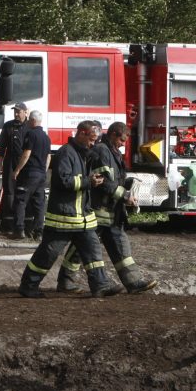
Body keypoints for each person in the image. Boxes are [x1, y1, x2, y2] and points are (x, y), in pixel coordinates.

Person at [18, 120, 122, 299]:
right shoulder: (66, 153)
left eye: (96, 140)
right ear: (81, 133)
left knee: (93, 252)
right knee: (47, 254)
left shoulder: (82, 154)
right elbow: (63, 181)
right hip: (63, 218)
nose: (93, 144)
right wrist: (88, 182)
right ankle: (28, 285)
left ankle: (100, 285)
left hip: (82, 218)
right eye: (91, 139)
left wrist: (90, 179)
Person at [60, 121, 157, 294]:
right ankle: (65, 281)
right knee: (81, 248)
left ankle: (133, 282)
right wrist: (125, 195)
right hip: (98, 211)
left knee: (121, 246)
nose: (123, 144)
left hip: (112, 213)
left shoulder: (113, 153)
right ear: (113, 135)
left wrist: (127, 184)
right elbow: (102, 181)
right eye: (122, 140)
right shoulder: (101, 151)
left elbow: (115, 179)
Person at [10, 110, 51, 240]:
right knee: (39, 204)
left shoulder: (31, 134)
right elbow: (48, 157)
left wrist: (17, 170)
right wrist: (43, 171)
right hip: (41, 174)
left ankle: (19, 230)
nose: (27, 122)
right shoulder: (46, 137)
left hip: (30, 173)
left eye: (29, 120)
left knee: (21, 200)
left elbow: (27, 153)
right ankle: (39, 233)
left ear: (32, 121)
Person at [0, 102, 29, 232]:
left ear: (25, 112)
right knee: (9, 192)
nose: (16, 114)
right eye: (15, 111)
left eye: (19, 111)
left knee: (24, 192)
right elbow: (1, 146)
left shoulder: (30, 126)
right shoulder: (8, 126)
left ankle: (24, 225)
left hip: (26, 162)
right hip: (10, 161)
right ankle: (8, 225)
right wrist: (0, 163)